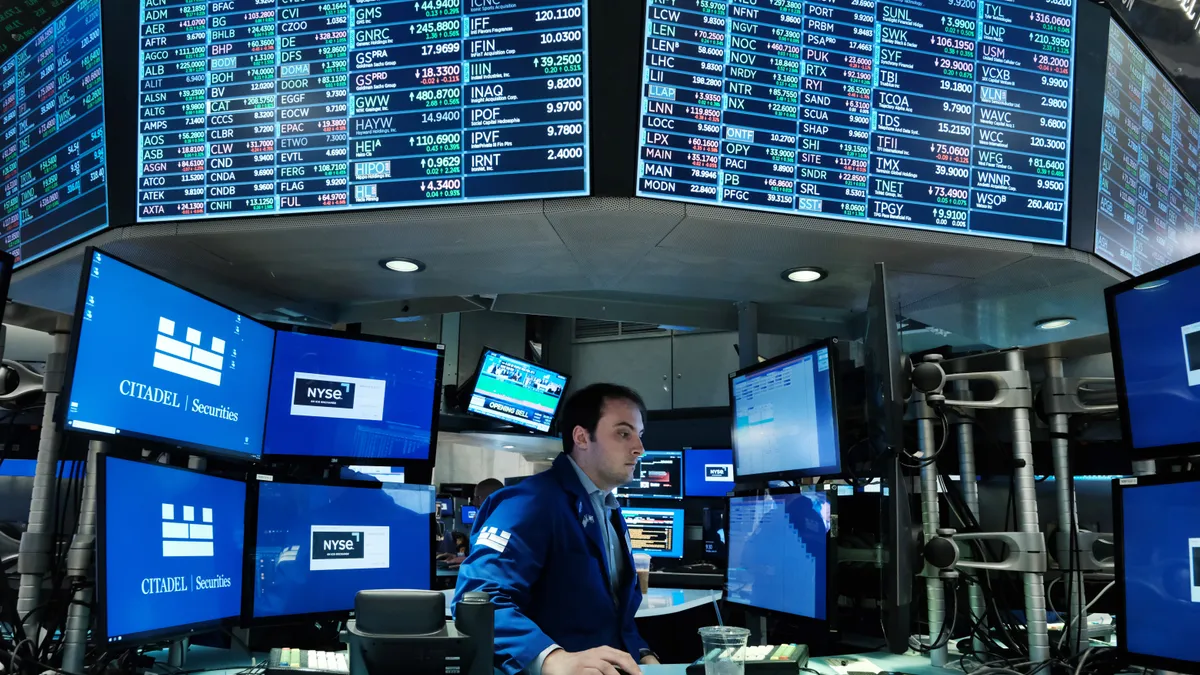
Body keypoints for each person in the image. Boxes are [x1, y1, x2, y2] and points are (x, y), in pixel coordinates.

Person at [453, 383, 658, 675]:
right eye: (623, 433)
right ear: (582, 437)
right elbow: (478, 599)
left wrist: (642, 652)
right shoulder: (529, 503)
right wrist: (551, 658)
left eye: (639, 435)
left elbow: (613, 614)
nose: (639, 448)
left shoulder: (607, 508)